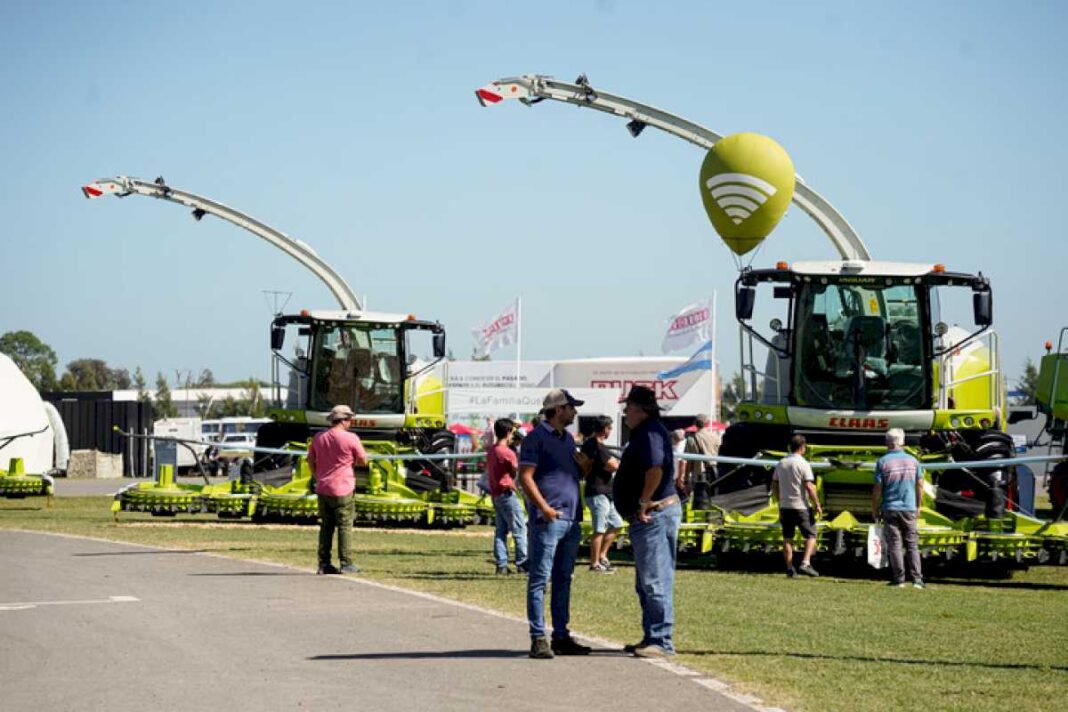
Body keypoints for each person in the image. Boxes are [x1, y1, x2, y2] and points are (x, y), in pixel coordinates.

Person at [519, 388, 592, 659]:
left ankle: (561, 635)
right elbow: (525, 476)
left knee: (564, 579)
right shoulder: (535, 438)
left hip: (570, 519)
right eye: (572, 407)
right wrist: (545, 509)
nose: (575, 412)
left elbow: (575, 474)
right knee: (540, 579)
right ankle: (538, 637)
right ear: (559, 409)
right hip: (547, 520)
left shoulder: (568, 439)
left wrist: (584, 466)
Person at [613, 385, 681, 659]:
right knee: (646, 581)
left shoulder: (650, 433)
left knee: (655, 580)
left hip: (653, 514)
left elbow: (655, 468)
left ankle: (662, 640)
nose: (625, 413)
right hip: (649, 516)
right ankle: (651, 635)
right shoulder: (646, 431)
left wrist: (643, 500)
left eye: (628, 408)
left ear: (641, 409)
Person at [307, 404, 368, 575]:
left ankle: (324, 563)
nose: (351, 422)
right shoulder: (351, 438)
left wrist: (318, 476)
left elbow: (310, 460)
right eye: (350, 419)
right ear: (344, 420)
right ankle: (346, 562)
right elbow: (363, 460)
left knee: (326, 526)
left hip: (323, 487)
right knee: (344, 525)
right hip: (343, 488)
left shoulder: (319, 437)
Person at [872, 427, 925, 589]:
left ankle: (899, 579)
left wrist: (875, 508)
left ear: (887, 443)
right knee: (912, 544)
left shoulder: (882, 462)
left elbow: (878, 489)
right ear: (902, 442)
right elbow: (920, 484)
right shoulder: (913, 461)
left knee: (895, 544)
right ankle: (917, 579)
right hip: (909, 507)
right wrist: (918, 505)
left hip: (890, 507)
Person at [772, 435, 822, 578]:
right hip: (800, 506)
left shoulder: (781, 463)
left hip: (785, 506)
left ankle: (789, 568)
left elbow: (774, 484)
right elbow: (809, 487)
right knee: (811, 535)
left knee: (787, 538)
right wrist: (817, 504)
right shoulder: (803, 464)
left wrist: (779, 500)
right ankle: (805, 562)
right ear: (802, 447)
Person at [582, 415, 622, 573]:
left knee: (616, 524)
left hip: (605, 491)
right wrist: (614, 464)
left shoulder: (592, 444)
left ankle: (602, 556)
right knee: (599, 528)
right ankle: (594, 563)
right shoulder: (597, 446)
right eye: (610, 427)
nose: (611, 430)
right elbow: (612, 465)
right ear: (605, 429)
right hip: (597, 491)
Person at [487, 417, 528, 575]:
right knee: (520, 529)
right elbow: (516, 471)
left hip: (496, 494)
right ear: (508, 432)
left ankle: (502, 564)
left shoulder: (492, 450)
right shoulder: (507, 453)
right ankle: (522, 562)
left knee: (501, 531)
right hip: (507, 493)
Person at [684, 414, 722, 508]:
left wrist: (685, 479)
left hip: (699, 474)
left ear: (695, 424)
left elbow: (688, 461)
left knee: (700, 502)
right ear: (706, 423)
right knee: (714, 500)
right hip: (715, 472)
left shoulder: (692, 439)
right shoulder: (716, 437)